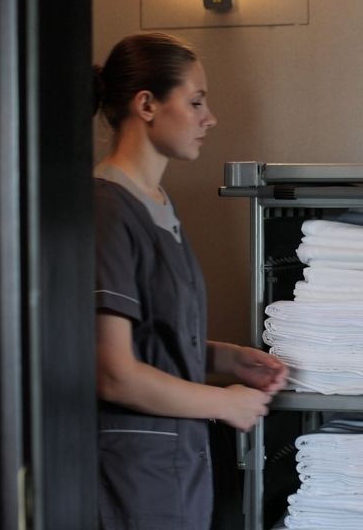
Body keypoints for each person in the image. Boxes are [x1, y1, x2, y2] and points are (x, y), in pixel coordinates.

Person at [92, 32, 288, 530]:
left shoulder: (155, 204)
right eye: (196, 101)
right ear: (146, 105)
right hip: (133, 476)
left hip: (176, 470)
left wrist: (227, 358)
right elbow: (114, 372)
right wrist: (225, 403)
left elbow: (153, 337)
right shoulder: (107, 209)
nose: (210, 118)